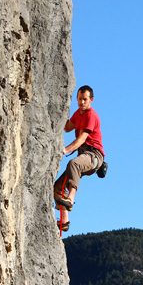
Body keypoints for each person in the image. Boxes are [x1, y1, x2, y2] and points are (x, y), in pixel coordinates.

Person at [54, 85, 104, 231]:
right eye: (80, 99)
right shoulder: (78, 113)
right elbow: (67, 127)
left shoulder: (91, 115)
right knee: (58, 186)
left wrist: (65, 150)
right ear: (77, 98)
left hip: (94, 156)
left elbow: (82, 139)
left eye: (85, 99)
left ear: (91, 100)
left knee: (73, 164)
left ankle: (70, 199)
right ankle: (64, 221)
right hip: (83, 155)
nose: (82, 102)